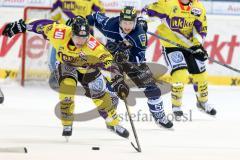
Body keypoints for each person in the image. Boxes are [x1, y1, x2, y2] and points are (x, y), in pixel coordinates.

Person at [2, 16, 130, 139]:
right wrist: (20, 25)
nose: (81, 41)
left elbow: (109, 62)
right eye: (77, 37)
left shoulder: (93, 45)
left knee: (100, 94)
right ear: (71, 33)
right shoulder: (59, 32)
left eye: (84, 37)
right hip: (66, 65)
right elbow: (40, 24)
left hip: (87, 67)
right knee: (67, 90)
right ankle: (67, 123)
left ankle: (114, 123)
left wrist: (118, 81)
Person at [84, 6, 173, 128]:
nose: (127, 26)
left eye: (130, 23)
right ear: (120, 21)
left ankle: (159, 117)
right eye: (125, 22)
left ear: (135, 22)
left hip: (133, 63)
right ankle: (111, 118)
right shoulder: (109, 25)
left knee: (153, 89)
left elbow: (138, 60)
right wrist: (84, 24)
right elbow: (94, 17)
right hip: (111, 62)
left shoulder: (140, 36)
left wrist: (126, 58)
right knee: (112, 90)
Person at [142, 0, 216, 116]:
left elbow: (201, 29)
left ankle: (203, 102)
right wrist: (142, 22)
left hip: (191, 45)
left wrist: (198, 45)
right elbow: (148, 11)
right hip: (171, 45)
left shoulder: (198, 7)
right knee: (180, 74)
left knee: (201, 75)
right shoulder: (168, 3)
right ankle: (176, 105)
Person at [49, 0, 105, 77]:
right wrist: (55, 30)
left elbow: (100, 17)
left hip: (83, 39)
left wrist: (94, 32)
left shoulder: (93, 1)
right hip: (63, 36)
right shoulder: (61, 1)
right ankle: (59, 80)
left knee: (86, 65)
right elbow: (53, 17)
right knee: (54, 62)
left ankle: (84, 82)